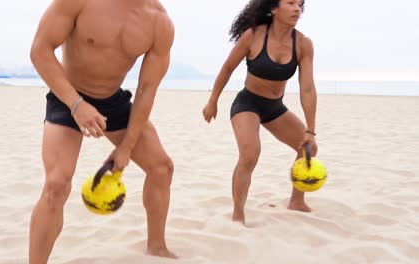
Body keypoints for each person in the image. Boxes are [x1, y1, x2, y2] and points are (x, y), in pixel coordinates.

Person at [28, 0, 176, 262]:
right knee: (56, 184)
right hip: (67, 96)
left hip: (112, 100)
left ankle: (156, 247)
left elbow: (146, 90)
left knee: (162, 168)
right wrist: (76, 104)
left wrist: (126, 148)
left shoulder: (159, 22)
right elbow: (40, 51)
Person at [202, 0, 318, 225]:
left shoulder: (303, 44)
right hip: (248, 104)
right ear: (274, 8)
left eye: (300, 4)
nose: (297, 9)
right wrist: (213, 100)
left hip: (275, 108)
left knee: (308, 148)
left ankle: (296, 201)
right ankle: (238, 214)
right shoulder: (253, 36)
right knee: (250, 154)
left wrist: (310, 130)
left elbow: (307, 88)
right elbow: (227, 68)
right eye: (291, 3)